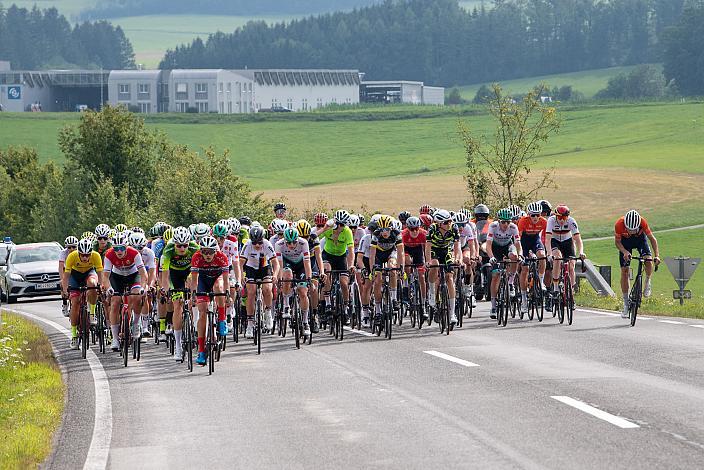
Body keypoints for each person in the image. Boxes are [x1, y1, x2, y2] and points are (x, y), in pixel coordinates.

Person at [102, 232, 149, 352]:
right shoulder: (109, 254)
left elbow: (143, 274)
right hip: (117, 277)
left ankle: (136, 325)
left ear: (126, 247)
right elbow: (105, 277)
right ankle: (115, 338)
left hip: (133, 276)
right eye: (116, 248)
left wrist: (143, 287)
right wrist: (109, 288)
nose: (119, 251)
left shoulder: (134, 253)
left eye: (122, 248)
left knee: (137, 297)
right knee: (115, 302)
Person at [160, 226, 200, 361]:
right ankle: (178, 345)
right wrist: (166, 290)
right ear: (174, 244)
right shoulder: (168, 250)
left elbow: (198, 272)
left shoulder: (195, 248)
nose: (182, 249)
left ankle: (194, 326)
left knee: (194, 298)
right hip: (175, 275)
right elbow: (165, 276)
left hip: (190, 272)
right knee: (177, 305)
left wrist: (195, 291)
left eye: (185, 245)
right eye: (179, 246)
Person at [191, 236, 231, 366]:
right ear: (200, 251)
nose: (207, 255)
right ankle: (201, 350)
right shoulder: (196, 257)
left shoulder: (222, 257)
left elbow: (225, 280)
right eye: (204, 252)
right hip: (202, 281)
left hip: (216, 278)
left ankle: (222, 319)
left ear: (216, 251)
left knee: (219, 288)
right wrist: (193, 296)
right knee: (202, 313)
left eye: (210, 252)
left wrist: (228, 295)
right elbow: (194, 280)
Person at [614, 210, 660, 318]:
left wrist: (657, 255)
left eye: (634, 229)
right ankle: (625, 303)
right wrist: (624, 252)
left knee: (648, 261)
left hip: (640, 241)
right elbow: (617, 242)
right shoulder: (619, 224)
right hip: (625, 243)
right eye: (629, 229)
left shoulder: (643, 222)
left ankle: (648, 281)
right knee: (624, 271)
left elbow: (652, 239)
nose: (631, 231)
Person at [62, 239, 102, 350]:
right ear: (78, 253)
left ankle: (92, 313)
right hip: (74, 276)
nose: (85, 258)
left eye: (87, 255)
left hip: (89, 272)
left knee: (93, 284)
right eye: (82, 255)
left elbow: (100, 273)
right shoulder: (72, 256)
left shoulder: (96, 256)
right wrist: (65, 290)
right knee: (75, 303)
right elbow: (66, 276)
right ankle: (74, 335)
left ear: (90, 253)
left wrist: (101, 286)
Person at [240, 226, 279, 337]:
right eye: (254, 242)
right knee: (251, 292)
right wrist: (242, 276)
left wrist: (275, 275)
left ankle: (268, 312)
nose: (257, 245)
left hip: (264, 268)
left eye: (259, 242)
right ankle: (250, 324)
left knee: (267, 289)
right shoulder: (247, 244)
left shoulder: (267, 244)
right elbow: (240, 263)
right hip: (250, 268)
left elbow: (276, 263)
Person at [425, 209, 461, 325]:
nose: (449, 224)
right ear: (439, 224)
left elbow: (457, 247)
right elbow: (428, 247)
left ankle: (452, 313)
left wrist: (457, 259)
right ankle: (431, 292)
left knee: (450, 278)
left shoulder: (454, 228)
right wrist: (428, 261)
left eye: (450, 221)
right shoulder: (432, 229)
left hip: (446, 250)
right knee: (434, 264)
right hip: (434, 250)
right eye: (446, 222)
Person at [545, 204, 585, 309]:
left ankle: (570, 294)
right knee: (557, 258)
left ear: (568, 216)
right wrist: (549, 254)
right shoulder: (551, 220)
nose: (562, 220)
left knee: (571, 266)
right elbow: (548, 239)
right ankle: (556, 288)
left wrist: (581, 252)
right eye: (560, 217)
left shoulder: (572, 221)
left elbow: (578, 239)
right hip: (555, 241)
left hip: (568, 242)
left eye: (564, 217)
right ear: (556, 216)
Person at [275, 227, 313, 337]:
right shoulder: (279, 244)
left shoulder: (303, 242)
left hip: (301, 264)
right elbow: (279, 264)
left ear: (298, 239)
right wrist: (280, 279)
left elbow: (307, 262)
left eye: (294, 242)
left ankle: (305, 322)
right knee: (286, 275)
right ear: (285, 240)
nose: (292, 245)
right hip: (287, 263)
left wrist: (309, 278)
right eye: (289, 243)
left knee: (303, 292)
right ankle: (286, 305)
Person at [485, 208, 522, 319]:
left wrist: (520, 255)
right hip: (495, 248)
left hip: (507, 246)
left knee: (514, 257)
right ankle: (493, 305)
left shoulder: (513, 227)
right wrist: (491, 257)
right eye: (503, 222)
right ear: (499, 221)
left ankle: (510, 283)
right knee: (496, 275)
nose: (506, 224)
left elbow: (518, 245)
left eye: (508, 222)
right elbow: (488, 245)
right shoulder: (493, 226)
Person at [319, 210, 355, 316]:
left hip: (341, 257)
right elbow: (314, 236)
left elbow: (351, 251)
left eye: (342, 225)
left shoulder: (347, 231)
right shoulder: (329, 228)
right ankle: (328, 303)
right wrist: (324, 228)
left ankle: (345, 305)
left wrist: (351, 264)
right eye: (338, 224)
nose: (340, 227)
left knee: (344, 283)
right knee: (327, 271)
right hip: (328, 255)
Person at [369, 215, 405, 324]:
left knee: (392, 268)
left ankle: (394, 299)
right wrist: (372, 271)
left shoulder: (396, 234)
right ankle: (378, 311)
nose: (384, 232)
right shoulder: (375, 235)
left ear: (391, 228)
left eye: (387, 229)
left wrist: (401, 268)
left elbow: (400, 252)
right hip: (378, 255)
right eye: (382, 230)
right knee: (378, 280)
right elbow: (372, 255)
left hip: (391, 253)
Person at [518, 202, 548, 315]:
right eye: (533, 215)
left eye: (538, 215)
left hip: (535, 240)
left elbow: (546, 237)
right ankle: (524, 299)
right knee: (525, 269)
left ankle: (540, 280)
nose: (535, 217)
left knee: (542, 256)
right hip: (524, 242)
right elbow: (518, 239)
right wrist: (521, 254)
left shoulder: (544, 222)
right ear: (528, 215)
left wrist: (547, 251)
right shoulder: (523, 221)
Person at [59, 236, 78, 317]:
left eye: (74, 247)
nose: (71, 249)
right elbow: (60, 267)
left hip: (76, 270)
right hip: (66, 269)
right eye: (69, 247)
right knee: (62, 284)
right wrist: (62, 279)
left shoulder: (79, 252)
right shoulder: (63, 253)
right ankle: (65, 304)